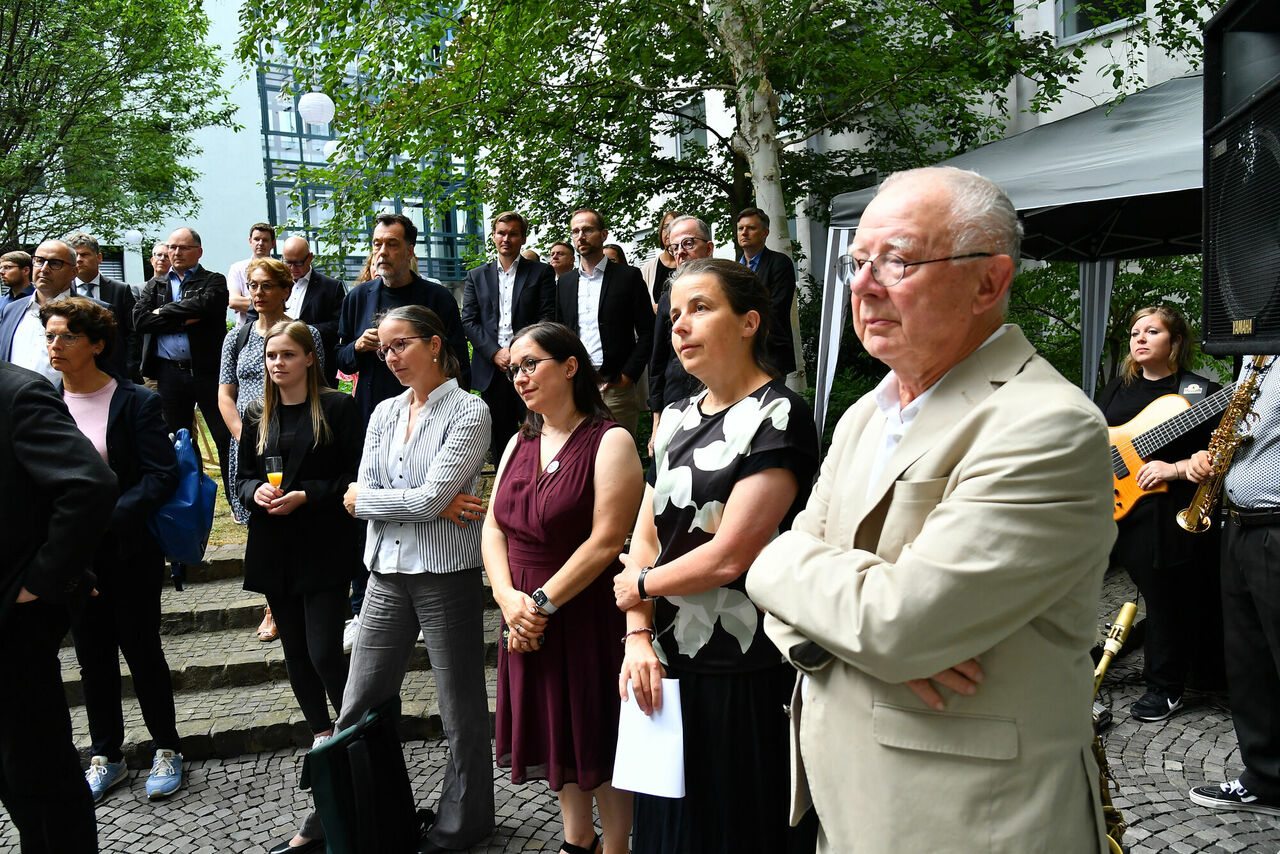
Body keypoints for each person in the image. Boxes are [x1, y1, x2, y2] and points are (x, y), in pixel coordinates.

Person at [744, 166, 1115, 852]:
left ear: (989, 282)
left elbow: (897, 625)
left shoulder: (1047, 425)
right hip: (851, 807)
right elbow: (770, 567)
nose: (863, 284)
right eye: (858, 262)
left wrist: (823, 596)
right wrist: (834, 611)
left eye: (899, 260)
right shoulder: (865, 413)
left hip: (968, 823)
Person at [613, 258, 819, 854]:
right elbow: (644, 539)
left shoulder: (779, 415)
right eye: (674, 314)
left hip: (747, 670)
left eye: (700, 308)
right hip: (664, 667)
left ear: (751, 321)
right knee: (668, 836)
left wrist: (640, 588)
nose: (679, 326)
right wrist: (636, 636)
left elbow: (733, 556)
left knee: (736, 832)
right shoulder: (673, 418)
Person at [270, 305, 494, 854]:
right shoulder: (385, 412)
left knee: (459, 704)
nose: (390, 358)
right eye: (385, 349)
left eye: (402, 345)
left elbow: (419, 496)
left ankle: (463, 824)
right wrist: (416, 504)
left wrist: (392, 502)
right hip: (385, 570)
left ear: (435, 345)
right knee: (358, 697)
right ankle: (332, 819)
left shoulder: (469, 412)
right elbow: (386, 497)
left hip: (445, 572)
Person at [485, 321, 644, 854]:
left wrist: (539, 604)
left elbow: (606, 540)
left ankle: (618, 844)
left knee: (595, 732)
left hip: (580, 609)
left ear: (570, 366)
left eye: (532, 364)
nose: (520, 377)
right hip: (521, 612)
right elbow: (493, 528)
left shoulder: (611, 440)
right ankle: (577, 840)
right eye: (514, 369)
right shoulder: (517, 441)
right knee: (557, 732)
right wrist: (508, 600)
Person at [41, 297, 184, 803]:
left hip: (126, 550)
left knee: (142, 651)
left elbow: (160, 475)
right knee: (91, 657)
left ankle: (167, 748)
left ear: (97, 345)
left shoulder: (135, 401)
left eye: (67, 337)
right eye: (50, 336)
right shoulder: (44, 402)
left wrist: (102, 520)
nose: (54, 345)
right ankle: (108, 755)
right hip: (69, 557)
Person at [336, 212, 471, 642]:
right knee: (367, 503)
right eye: (377, 243)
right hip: (374, 413)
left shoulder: (436, 297)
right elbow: (339, 360)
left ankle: (426, 604)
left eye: (392, 244)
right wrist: (357, 347)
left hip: (431, 416)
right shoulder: (358, 298)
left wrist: (448, 412)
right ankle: (364, 603)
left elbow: (458, 364)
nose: (382, 252)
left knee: (409, 494)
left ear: (410, 249)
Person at [0, 357, 117, 853]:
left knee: (38, 771)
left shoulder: (18, 394)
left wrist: (43, 579)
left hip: (15, 621)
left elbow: (89, 485)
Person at [237, 320, 363, 749]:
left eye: (287, 354)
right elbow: (242, 478)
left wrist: (306, 494)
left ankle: (353, 727)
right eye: (272, 355)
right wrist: (257, 493)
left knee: (324, 650)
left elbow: (355, 475)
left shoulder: (337, 408)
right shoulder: (257, 413)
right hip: (274, 544)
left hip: (323, 541)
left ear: (310, 358)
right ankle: (321, 732)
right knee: (294, 650)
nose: (278, 363)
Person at [1096, 305, 1221, 722]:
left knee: (1164, 596)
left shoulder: (1198, 393)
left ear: (1176, 342)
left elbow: (1217, 457)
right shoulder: (1118, 388)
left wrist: (1176, 467)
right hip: (1107, 503)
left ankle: (1165, 687)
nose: (1140, 339)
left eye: (1152, 331)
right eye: (1135, 332)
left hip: (1163, 511)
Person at [1189, 353, 1280, 816]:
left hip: (1278, 524)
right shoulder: (1255, 356)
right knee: (1248, 662)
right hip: (1239, 522)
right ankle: (1265, 778)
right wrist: (1208, 458)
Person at [218, 257, 324, 641]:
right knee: (260, 522)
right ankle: (273, 602)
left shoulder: (305, 332)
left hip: (296, 443)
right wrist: (250, 439)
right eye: (252, 285)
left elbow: (319, 388)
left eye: (265, 286)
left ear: (285, 290)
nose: (257, 293)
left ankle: (303, 596)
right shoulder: (238, 336)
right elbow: (225, 393)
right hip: (249, 442)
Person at [133, 226, 232, 508]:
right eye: (171, 248)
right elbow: (139, 321)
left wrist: (161, 314)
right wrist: (181, 315)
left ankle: (237, 500)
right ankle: (188, 498)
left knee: (223, 435)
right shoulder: (156, 285)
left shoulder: (213, 280)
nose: (175, 253)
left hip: (208, 371)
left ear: (198, 252)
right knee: (178, 440)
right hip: (169, 373)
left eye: (182, 248)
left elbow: (205, 308)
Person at [461, 211, 556, 465]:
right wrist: (495, 352)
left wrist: (518, 353)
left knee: (537, 430)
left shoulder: (541, 273)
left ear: (523, 238)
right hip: (493, 370)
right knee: (501, 439)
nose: (506, 238)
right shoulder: (476, 276)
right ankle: (507, 491)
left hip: (530, 366)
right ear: (493, 236)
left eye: (513, 233)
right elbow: (469, 321)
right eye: (501, 233)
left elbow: (547, 318)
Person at [556, 208, 652, 436]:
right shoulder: (565, 283)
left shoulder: (628, 277)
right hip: (577, 385)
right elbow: (560, 334)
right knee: (579, 458)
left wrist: (628, 375)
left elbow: (649, 331)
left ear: (603, 234)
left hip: (616, 386)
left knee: (619, 455)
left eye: (588, 229)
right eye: (576, 231)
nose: (581, 236)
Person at [647, 215, 714, 453]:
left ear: (709, 248)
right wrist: (657, 422)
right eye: (674, 247)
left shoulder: (732, 291)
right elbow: (658, 360)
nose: (680, 253)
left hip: (719, 397)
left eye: (688, 243)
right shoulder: (667, 299)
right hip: (676, 399)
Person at [68, 232, 142, 382]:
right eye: (75, 256)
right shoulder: (64, 291)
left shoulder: (120, 290)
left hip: (116, 371)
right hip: (76, 369)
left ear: (99, 258)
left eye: (85, 255)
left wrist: (129, 367)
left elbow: (133, 332)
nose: (79, 260)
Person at [735, 207, 798, 382]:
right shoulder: (734, 269)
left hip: (770, 352)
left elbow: (777, 308)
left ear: (765, 233)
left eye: (751, 228)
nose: (744, 233)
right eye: (741, 228)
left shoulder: (780, 263)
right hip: (740, 353)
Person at [280, 236, 346, 387]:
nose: (292, 268)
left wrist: (301, 330)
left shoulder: (330, 287)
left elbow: (338, 326)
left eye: (297, 263)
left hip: (317, 368)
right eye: (287, 262)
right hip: (280, 365)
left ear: (310, 258)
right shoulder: (275, 284)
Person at [227, 223, 278, 327]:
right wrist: (271, 302)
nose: (260, 243)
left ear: (273, 243)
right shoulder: (237, 268)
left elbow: (286, 303)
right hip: (244, 330)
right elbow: (233, 302)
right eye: (256, 239)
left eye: (265, 240)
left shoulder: (279, 270)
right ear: (250, 241)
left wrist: (246, 303)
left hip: (275, 328)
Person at [639, 211, 679, 308]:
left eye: (675, 226)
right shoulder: (647, 269)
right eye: (666, 227)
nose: (669, 231)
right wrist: (650, 307)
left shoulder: (691, 264)